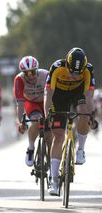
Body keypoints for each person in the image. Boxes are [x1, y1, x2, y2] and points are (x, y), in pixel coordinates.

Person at [44, 47, 95, 195]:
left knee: (84, 111)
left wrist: (90, 115)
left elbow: (89, 95)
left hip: (77, 94)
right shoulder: (57, 67)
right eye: (72, 71)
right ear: (66, 64)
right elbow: (48, 92)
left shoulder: (88, 70)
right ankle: (53, 181)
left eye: (78, 73)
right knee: (59, 136)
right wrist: (47, 112)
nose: (74, 76)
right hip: (58, 96)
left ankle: (80, 150)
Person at [14, 56, 52, 167]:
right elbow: (20, 103)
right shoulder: (19, 79)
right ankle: (31, 148)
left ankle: (51, 163)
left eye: (33, 72)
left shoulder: (45, 75)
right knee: (36, 121)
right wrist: (21, 121)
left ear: (37, 70)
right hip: (31, 102)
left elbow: (53, 94)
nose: (30, 76)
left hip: (46, 102)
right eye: (27, 73)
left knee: (49, 135)